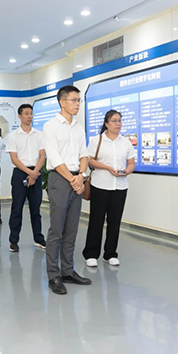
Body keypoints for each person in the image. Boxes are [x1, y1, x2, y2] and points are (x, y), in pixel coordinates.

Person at [42, 85, 91, 295]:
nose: (78, 104)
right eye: (74, 100)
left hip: (76, 178)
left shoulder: (78, 127)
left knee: (71, 228)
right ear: (62, 102)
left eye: (79, 100)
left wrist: (81, 176)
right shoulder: (50, 126)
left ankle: (68, 271)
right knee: (57, 229)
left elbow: (84, 154)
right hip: (60, 179)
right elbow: (54, 157)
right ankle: (54, 275)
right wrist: (73, 179)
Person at [83, 110, 135, 267]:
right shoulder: (97, 140)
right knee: (96, 220)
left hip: (120, 186)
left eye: (119, 120)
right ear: (106, 124)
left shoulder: (125, 142)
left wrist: (126, 171)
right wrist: (106, 167)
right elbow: (89, 160)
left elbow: (131, 163)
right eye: (114, 121)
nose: (118, 123)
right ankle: (91, 254)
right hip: (100, 185)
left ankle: (110, 253)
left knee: (115, 221)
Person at [5, 104, 46, 252]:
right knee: (17, 208)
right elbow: (14, 159)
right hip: (20, 173)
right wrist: (30, 173)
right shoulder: (13, 136)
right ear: (20, 116)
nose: (29, 116)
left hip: (36, 171)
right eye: (26, 113)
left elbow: (42, 155)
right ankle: (13, 240)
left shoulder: (39, 135)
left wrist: (35, 172)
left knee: (36, 209)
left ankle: (38, 239)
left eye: (31, 113)